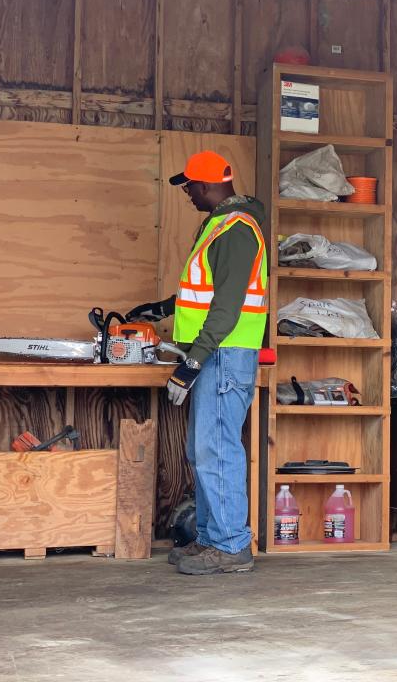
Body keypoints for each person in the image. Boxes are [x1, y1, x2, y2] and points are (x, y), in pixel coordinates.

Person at [127, 150, 267, 575]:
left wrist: (191, 363)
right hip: (214, 354)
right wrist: (163, 308)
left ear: (206, 186)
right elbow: (206, 294)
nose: (187, 193)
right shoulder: (219, 226)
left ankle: (230, 546)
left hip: (223, 355)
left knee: (218, 449)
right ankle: (210, 538)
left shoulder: (237, 230)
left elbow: (226, 308)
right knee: (201, 449)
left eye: (188, 186)